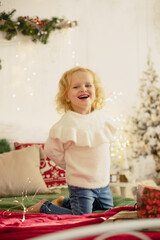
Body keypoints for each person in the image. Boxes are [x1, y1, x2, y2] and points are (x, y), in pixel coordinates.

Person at [27, 66, 116, 215]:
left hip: (102, 183)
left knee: (106, 212)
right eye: (76, 86)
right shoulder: (66, 123)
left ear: (96, 91)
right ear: (66, 96)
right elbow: (50, 149)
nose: (83, 89)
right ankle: (45, 206)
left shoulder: (102, 118)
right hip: (80, 184)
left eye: (88, 85)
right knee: (81, 219)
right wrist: (70, 164)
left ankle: (64, 202)